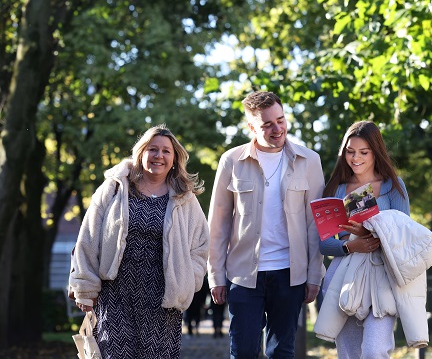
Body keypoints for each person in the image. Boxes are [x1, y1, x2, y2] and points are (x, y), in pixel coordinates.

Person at [69, 124, 210, 358]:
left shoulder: (185, 198)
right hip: (115, 295)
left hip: (164, 301)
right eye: (152, 149)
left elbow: (201, 246)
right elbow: (88, 238)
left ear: (174, 159)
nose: (159, 156)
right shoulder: (115, 189)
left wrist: (188, 280)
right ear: (141, 153)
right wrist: (85, 288)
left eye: (166, 151)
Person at [207, 91, 326, 358]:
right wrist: (215, 275)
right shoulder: (231, 161)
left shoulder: (310, 161)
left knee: (281, 351)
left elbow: (314, 224)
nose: (277, 129)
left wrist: (315, 274)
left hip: (290, 274)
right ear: (251, 127)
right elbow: (218, 223)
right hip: (243, 275)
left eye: (281, 120)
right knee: (243, 351)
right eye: (267, 124)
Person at [319, 121, 410, 359]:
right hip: (344, 277)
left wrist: (369, 233)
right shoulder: (336, 190)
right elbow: (324, 243)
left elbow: (405, 237)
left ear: (375, 152)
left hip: (382, 276)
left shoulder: (394, 187)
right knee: (348, 353)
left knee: (374, 350)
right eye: (350, 151)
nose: (355, 158)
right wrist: (350, 245)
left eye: (363, 152)